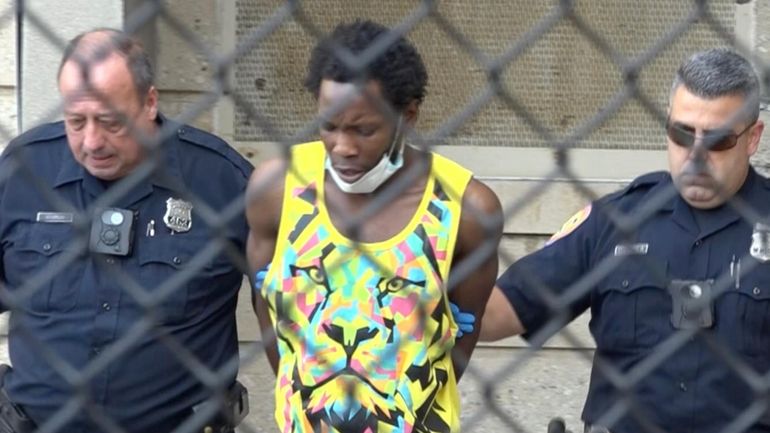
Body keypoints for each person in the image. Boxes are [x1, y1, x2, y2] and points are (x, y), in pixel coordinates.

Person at [475, 48, 770, 433]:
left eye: (716, 142)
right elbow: (497, 313)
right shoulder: (615, 220)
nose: (695, 156)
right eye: (682, 134)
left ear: (752, 138)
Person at [246, 19, 503, 433]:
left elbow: (458, 341)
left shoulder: (465, 211)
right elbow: (269, 310)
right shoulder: (277, 189)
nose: (342, 147)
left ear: (409, 115)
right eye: (329, 126)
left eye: (364, 130)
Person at [0, 29, 253, 432]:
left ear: (149, 102)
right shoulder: (23, 173)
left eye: (110, 122)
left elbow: (284, 305)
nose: (92, 141)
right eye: (75, 121)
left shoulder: (222, 182)